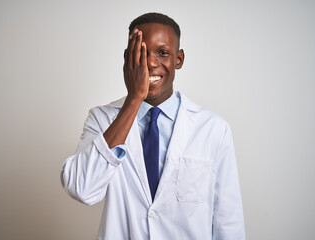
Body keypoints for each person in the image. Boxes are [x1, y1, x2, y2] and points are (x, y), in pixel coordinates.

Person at [61, 12, 245, 240]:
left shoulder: (213, 129)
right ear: (128, 58)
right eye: (141, 53)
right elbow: (82, 188)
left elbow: (228, 221)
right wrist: (134, 99)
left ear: (179, 59)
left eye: (163, 53)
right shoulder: (102, 119)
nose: (150, 62)